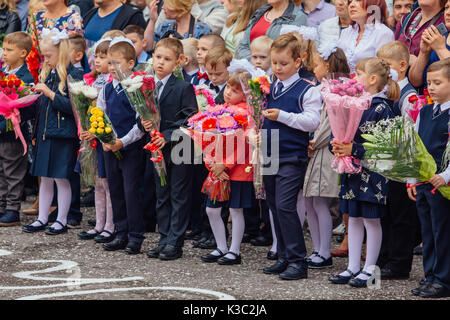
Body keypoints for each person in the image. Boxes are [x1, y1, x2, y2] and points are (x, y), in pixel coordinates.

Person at [329, 57, 398, 287]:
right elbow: (342, 130)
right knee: (354, 219)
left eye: (358, 74)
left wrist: (354, 149)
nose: (353, 78)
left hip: (373, 174)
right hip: (352, 171)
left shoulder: (382, 108)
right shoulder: (352, 103)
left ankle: (370, 268)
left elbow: (386, 147)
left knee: (371, 220)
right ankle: (352, 267)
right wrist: (337, 144)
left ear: (372, 79)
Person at [261, 33, 322, 280]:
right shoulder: (267, 85)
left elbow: (312, 121)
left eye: (284, 63)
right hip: (269, 153)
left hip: (291, 155)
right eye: (274, 62)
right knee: (274, 206)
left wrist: (283, 116)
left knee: (286, 206)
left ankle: (298, 261)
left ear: (298, 61)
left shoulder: (308, 89)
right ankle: (284, 256)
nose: (278, 68)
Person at [22, 28, 84, 235]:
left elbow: (74, 107)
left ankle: (62, 219)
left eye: (48, 55)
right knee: (45, 177)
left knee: (61, 178)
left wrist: (49, 93)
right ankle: (42, 217)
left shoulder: (74, 74)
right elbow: (41, 107)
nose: (45, 59)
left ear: (62, 53)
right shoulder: (48, 74)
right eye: (44, 56)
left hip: (63, 135)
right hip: (45, 134)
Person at [143, 38, 198, 261]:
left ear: (177, 63)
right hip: (157, 148)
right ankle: (164, 238)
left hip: (179, 147)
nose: (161, 63)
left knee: (178, 194)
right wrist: (144, 124)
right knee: (162, 194)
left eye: (167, 59)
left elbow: (190, 119)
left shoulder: (183, 87)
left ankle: (175, 242)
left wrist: (167, 136)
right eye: (158, 57)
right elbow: (143, 115)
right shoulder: (146, 87)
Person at [374, 41, 421, 280]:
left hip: (402, 163)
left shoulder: (408, 95)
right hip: (385, 162)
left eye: (387, 65)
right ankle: (384, 257)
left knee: (402, 215)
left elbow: (409, 130)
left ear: (402, 66)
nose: (383, 70)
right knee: (385, 212)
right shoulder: (385, 90)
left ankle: (400, 263)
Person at [95, 37, 146, 254]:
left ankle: (136, 235)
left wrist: (121, 142)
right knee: (114, 189)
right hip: (110, 146)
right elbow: (100, 113)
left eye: (117, 63)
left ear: (130, 63)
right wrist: (105, 139)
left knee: (131, 191)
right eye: (111, 62)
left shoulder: (135, 87)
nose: (112, 67)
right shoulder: (107, 88)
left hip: (131, 147)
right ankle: (121, 231)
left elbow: (141, 122)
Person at [303, 43, 350, 269]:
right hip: (318, 150)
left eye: (318, 63)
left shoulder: (337, 90)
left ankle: (323, 251)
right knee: (310, 200)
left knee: (319, 200)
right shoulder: (326, 87)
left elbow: (331, 124)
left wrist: (312, 142)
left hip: (325, 150)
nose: (314, 67)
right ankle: (317, 249)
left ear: (328, 65)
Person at [201, 70, 255, 265]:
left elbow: (244, 144)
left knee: (235, 209)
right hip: (217, 168)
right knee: (212, 210)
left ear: (246, 94)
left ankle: (235, 250)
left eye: (235, 90)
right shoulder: (219, 109)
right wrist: (212, 163)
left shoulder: (247, 114)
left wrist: (226, 163)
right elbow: (208, 138)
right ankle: (221, 246)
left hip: (239, 169)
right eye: (228, 88)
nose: (228, 93)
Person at [407, 58, 450, 299]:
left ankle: (443, 278)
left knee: (442, 230)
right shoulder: (424, 111)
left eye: (438, 82)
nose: (431, 87)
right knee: (428, 231)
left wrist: (445, 176)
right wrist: (411, 179)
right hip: (424, 181)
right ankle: (430, 274)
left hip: (442, 183)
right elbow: (414, 145)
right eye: (429, 83)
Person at [77, 37, 115, 244]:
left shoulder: (111, 82)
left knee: (108, 183)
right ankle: (99, 223)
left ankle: (111, 225)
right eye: (96, 56)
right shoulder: (93, 80)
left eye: (103, 57)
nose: (97, 60)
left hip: (106, 137)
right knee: (98, 183)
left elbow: (109, 112)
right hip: (92, 136)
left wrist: (98, 131)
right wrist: (84, 127)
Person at [0, 31, 34, 227]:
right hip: (2, 131)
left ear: (23, 53)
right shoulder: (3, 72)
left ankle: (12, 209)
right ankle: (2, 205)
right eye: (4, 49)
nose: (4, 53)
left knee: (13, 172)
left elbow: (28, 108)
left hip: (13, 133)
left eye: (9, 50)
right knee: (1, 171)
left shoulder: (25, 77)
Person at [237, 0, 308, 60]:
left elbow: (293, 53)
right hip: (251, 70)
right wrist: (255, 63)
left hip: (277, 72)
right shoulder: (260, 12)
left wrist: (266, 65)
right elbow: (243, 46)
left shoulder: (298, 18)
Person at [338, 0, 394, 75]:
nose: (351, 5)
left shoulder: (384, 33)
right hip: (343, 83)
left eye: (358, 1)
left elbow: (383, 72)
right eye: (350, 2)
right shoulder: (345, 32)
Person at [409, 0, 450, 88]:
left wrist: (441, 49)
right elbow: (415, 81)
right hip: (429, 100)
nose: (448, 13)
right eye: (446, 8)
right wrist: (423, 53)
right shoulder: (440, 37)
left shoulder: (439, 43)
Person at [146, 0, 212, 50]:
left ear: (177, 6)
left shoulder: (202, 30)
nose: (163, 7)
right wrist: (152, 21)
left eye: (166, 4)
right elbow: (147, 47)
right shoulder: (165, 26)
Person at [153, 0, 228, 36]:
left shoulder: (220, 9)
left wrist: (190, 3)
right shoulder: (175, 3)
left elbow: (207, 30)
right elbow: (157, 31)